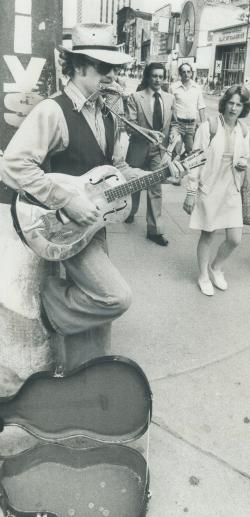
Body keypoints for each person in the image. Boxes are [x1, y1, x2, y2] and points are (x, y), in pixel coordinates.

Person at [0, 23, 151, 336]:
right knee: (115, 298)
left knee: (99, 325)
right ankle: (50, 305)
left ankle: (86, 374)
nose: (112, 75)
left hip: (94, 225)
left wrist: (157, 176)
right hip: (62, 225)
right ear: (80, 66)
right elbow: (13, 166)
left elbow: (117, 169)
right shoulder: (53, 111)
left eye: (114, 68)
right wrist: (67, 199)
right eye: (104, 67)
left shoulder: (107, 114)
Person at [183, 84, 250, 296]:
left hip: (232, 187)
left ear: (243, 108)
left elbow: (245, 156)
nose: (234, 108)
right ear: (224, 103)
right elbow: (195, 161)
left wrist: (242, 162)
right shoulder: (209, 127)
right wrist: (191, 192)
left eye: (239, 104)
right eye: (231, 103)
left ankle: (216, 267)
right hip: (210, 187)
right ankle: (203, 275)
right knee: (208, 233)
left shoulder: (243, 130)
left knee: (235, 238)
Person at [125, 62, 179, 246]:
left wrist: (173, 134)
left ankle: (154, 230)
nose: (157, 80)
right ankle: (129, 212)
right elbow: (129, 125)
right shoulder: (135, 97)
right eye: (154, 76)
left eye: (160, 76)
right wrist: (149, 133)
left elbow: (174, 123)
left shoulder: (170, 99)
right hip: (138, 148)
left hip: (158, 151)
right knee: (134, 185)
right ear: (148, 77)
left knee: (155, 188)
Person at [170, 62, 206, 157]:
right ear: (180, 74)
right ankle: (174, 169)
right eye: (183, 72)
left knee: (191, 152)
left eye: (188, 71)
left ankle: (182, 166)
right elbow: (169, 107)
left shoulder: (197, 88)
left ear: (191, 73)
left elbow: (201, 106)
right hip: (178, 125)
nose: (186, 74)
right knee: (175, 150)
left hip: (191, 125)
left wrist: (204, 125)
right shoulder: (173, 87)